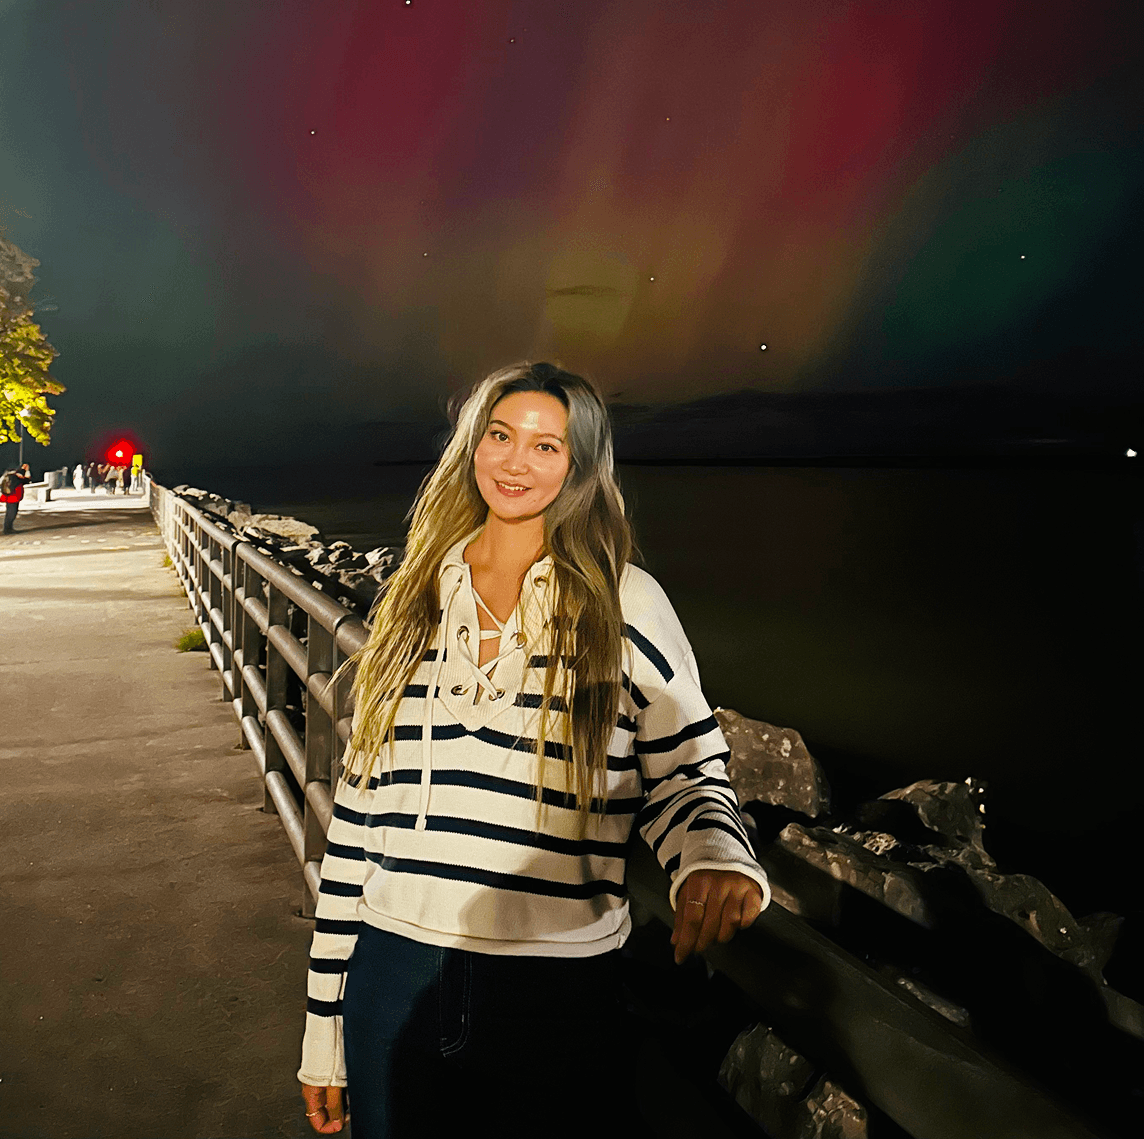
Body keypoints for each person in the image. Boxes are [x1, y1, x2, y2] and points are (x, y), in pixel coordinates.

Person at [297, 362, 771, 1138]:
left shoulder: (625, 601)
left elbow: (688, 770)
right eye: (501, 435)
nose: (517, 462)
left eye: (547, 446)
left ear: (581, 465)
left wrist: (715, 853)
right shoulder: (411, 597)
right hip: (390, 978)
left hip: (554, 992)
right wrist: (324, 1028)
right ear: (471, 446)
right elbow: (356, 820)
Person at [1, 463, 33, 534]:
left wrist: (23, 469)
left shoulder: (8, 477)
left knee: (9, 513)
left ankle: (8, 528)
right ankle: (7, 529)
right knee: (11, 514)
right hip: (13, 498)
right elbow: (27, 480)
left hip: (9, 498)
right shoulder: (16, 478)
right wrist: (27, 470)